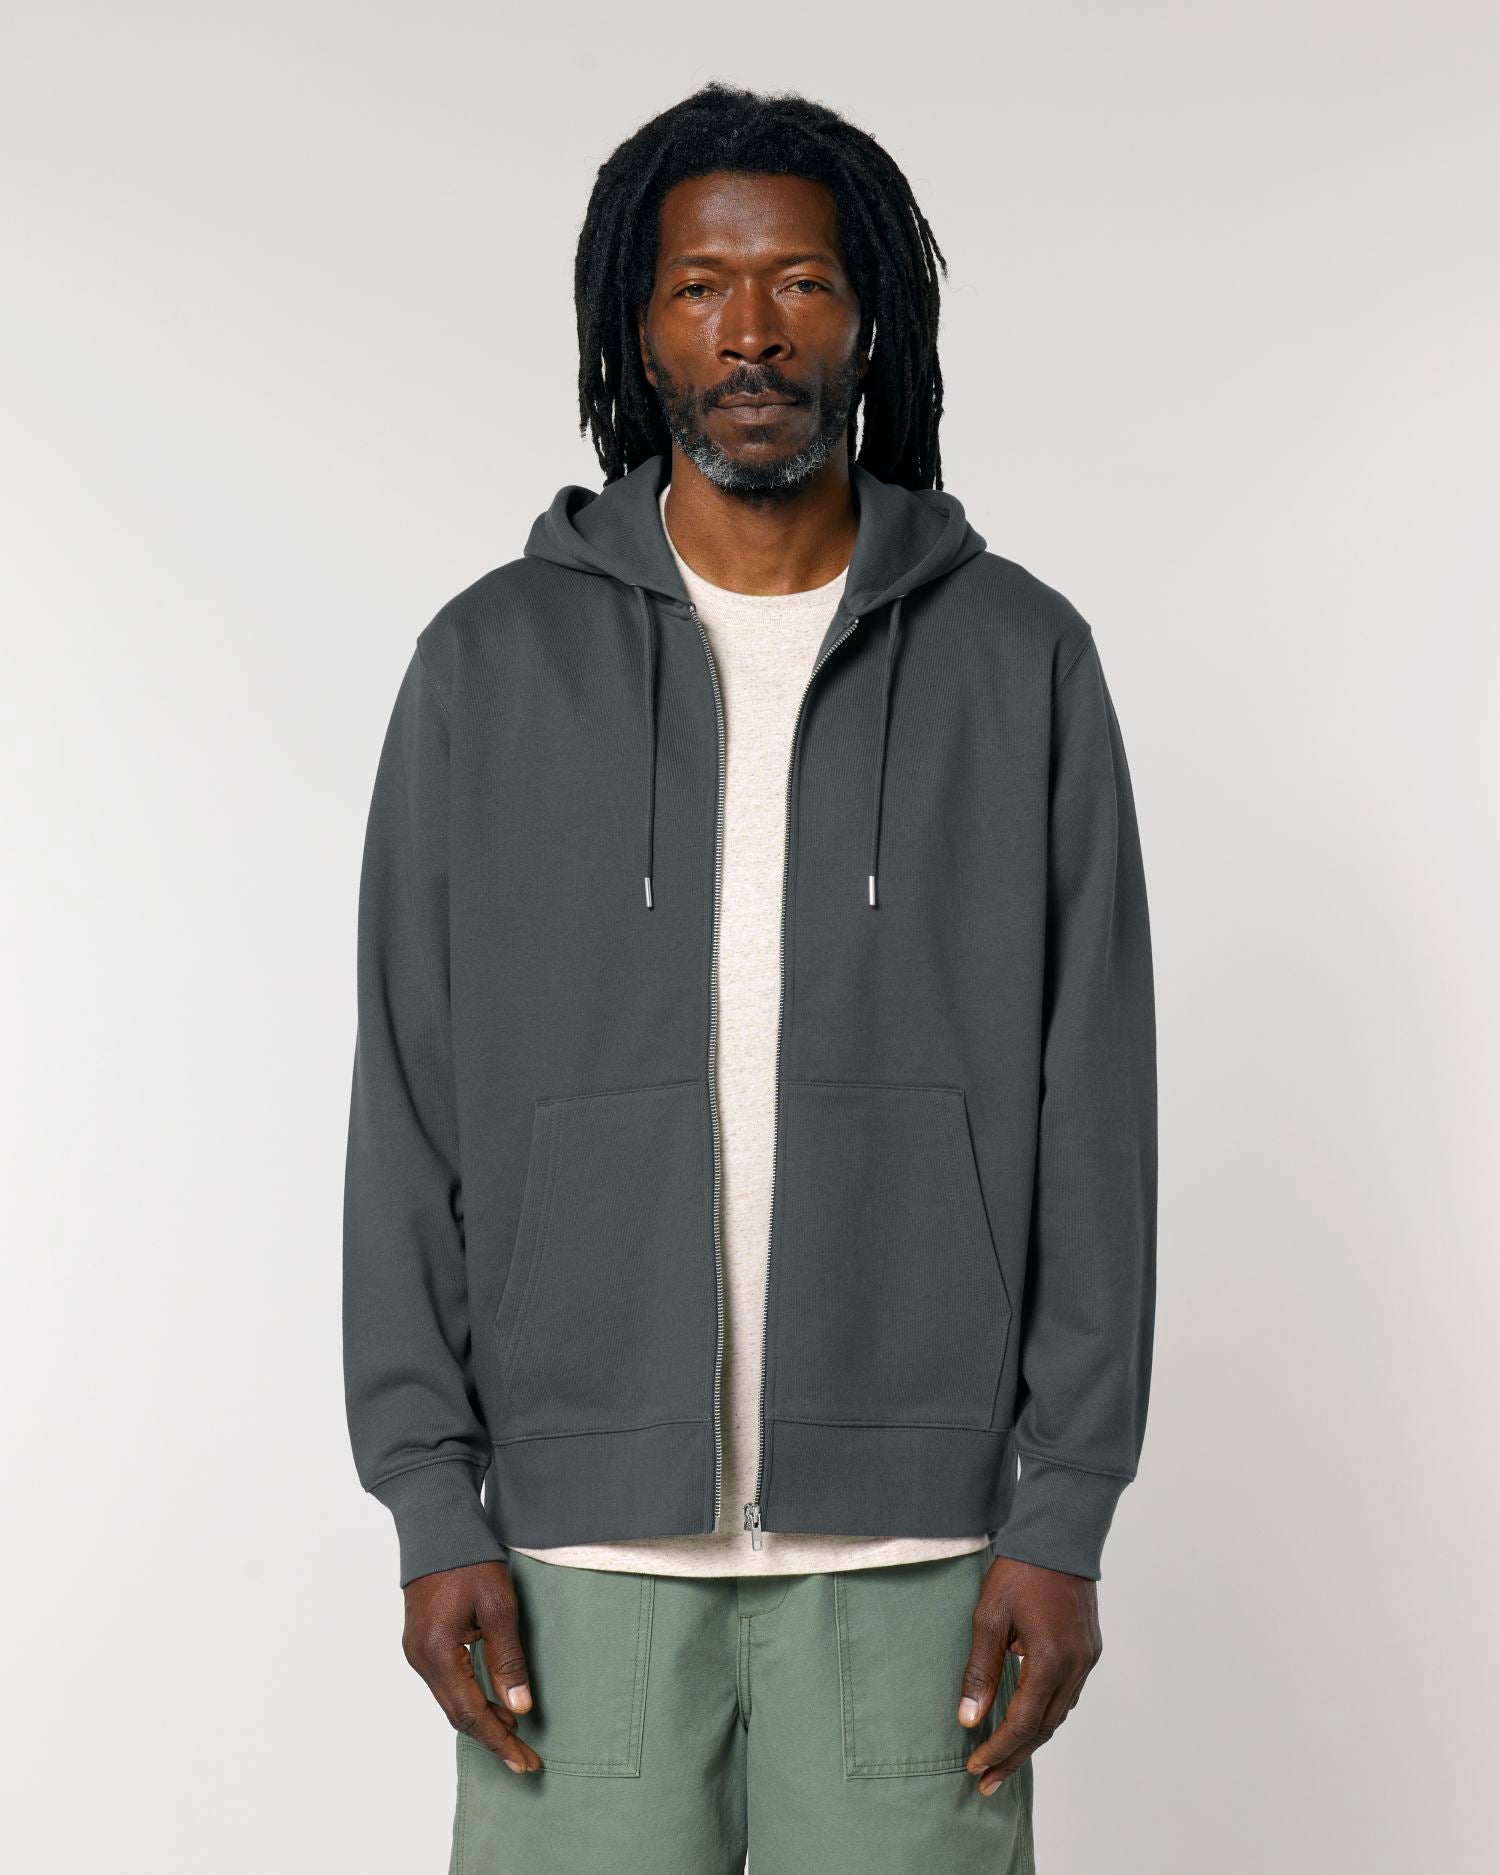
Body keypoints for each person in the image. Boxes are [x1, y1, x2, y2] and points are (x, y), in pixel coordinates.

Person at [343, 79, 1157, 1875]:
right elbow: (408, 1099)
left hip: (921, 1558)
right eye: (701, 287)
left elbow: (1093, 1110)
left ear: (872, 318)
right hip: (574, 1555)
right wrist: (428, 1499)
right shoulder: (488, 663)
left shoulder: (1019, 657)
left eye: (800, 281)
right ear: (635, 329)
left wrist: (1066, 1512)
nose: (753, 333)